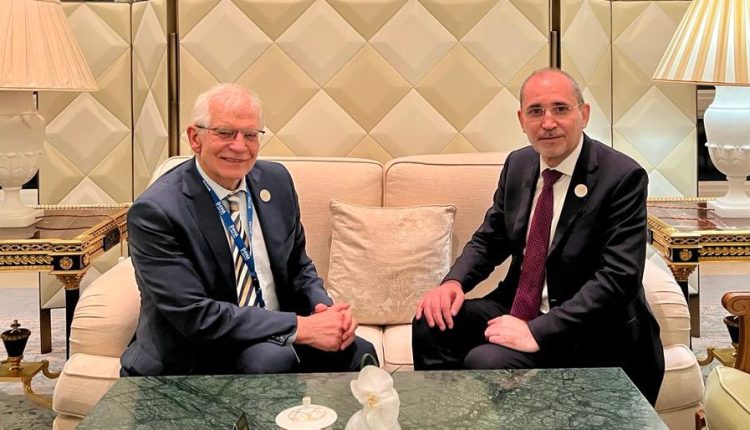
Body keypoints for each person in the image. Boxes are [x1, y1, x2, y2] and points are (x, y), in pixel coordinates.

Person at [411, 68, 664, 405]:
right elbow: (491, 238)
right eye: (536, 111)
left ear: (584, 114)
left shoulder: (622, 177)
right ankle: (446, 417)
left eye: (560, 109)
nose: (548, 122)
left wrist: (537, 330)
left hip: (591, 329)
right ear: (522, 120)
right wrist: (453, 283)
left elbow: (618, 278)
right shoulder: (519, 165)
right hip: (520, 306)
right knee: (431, 322)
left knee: (486, 361)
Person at [121, 83, 376, 376]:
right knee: (271, 359)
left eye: (250, 135)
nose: (240, 146)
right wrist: (300, 326)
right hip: (198, 349)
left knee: (359, 352)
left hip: (275, 333)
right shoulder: (157, 211)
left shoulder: (276, 181)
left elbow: (298, 266)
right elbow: (195, 315)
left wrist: (324, 311)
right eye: (225, 133)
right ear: (195, 138)